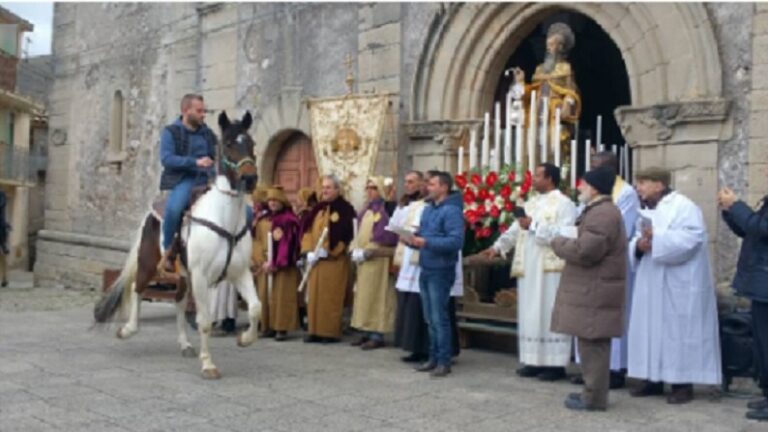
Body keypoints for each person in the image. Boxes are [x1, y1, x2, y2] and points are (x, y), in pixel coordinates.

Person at [627, 167, 721, 404]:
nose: (638, 188)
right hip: (651, 279)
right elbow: (635, 239)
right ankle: (651, 378)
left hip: (677, 282)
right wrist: (639, 246)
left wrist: (657, 240)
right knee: (649, 328)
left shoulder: (684, 206)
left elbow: (693, 238)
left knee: (676, 333)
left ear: (659, 184)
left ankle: (681, 383)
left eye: (643, 183)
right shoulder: (647, 210)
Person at [482, 163, 577, 381]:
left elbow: (566, 233)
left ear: (550, 179)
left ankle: (555, 365)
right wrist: (498, 247)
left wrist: (533, 226)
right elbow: (516, 229)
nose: (533, 179)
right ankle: (533, 360)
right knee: (530, 312)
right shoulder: (531, 203)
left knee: (549, 311)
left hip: (550, 267)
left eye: (538, 176)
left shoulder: (565, 204)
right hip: (529, 265)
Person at [550, 167, 627, 411]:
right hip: (593, 287)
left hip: (595, 288)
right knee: (590, 343)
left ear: (594, 187)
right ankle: (590, 392)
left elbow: (586, 251)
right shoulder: (599, 211)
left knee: (593, 344)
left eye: (583, 184)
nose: (580, 188)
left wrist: (558, 242)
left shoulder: (602, 214)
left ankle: (593, 398)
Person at [572, 152, 640, 389]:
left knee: (608, 317)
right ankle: (590, 371)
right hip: (590, 260)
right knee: (589, 318)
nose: (589, 171)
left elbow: (625, 227)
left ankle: (614, 370)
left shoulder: (626, 193)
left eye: (595, 166)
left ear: (609, 169)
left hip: (611, 261)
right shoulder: (591, 192)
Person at [393, 171, 462, 363]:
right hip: (426, 266)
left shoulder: (452, 210)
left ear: (444, 188)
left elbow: (455, 241)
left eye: (432, 184)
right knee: (430, 319)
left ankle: (443, 360)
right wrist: (409, 239)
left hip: (441, 269)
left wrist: (426, 242)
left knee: (440, 318)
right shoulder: (429, 209)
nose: (427, 188)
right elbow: (422, 235)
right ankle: (432, 358)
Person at [719, 177, 768, 421]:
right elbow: (750, 230)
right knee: (762, 344)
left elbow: (762, 228)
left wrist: (737, 205)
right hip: (761, 283)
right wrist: (729, 211)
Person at [157, 94, 218, 273]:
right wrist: (195, 162)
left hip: (208, 178)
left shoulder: (208, 134)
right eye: (199, 111)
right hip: (184, 179)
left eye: (204, 111)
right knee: (174, 209)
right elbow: (167, 159)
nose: (203, 114)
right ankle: (168, 252)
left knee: (243, 210)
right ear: (186, 111)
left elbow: (217, 155)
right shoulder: (171, 132)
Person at [300, 174, 356, 343]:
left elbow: (348, 233)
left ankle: (329, 332)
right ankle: (314, 330)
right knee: (315, 297)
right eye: (323, 187)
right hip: (316, 262)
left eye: (329, 187)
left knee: (330, 297)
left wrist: (331, 251)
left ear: (337, 190)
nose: (325, 191)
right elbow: (307, 230)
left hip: (334, 262)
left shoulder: (345, 209)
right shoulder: (318, 208)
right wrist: (308, 250)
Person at [349, 177, 399, 349]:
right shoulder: (365, 210)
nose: (369, 191)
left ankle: (377, 334)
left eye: (373, 188)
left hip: (378, 259)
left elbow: (388, 235)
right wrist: (354, 248)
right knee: (363, 297)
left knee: (377, 297)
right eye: (367, 188)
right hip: (363, 261)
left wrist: (369, 249)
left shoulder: (386, 210)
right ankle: (364, 330)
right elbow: (358, 232)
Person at [257, 186, 301, 341]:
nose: (272, 203)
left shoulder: (289, 220)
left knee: (282, 296)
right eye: (270, 200)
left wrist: (276, 262)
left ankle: (281, 328)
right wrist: (261, 261)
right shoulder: (262, 220)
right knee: (265, 296)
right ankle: (266, 325)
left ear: (282, 201)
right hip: (265, 264)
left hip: (283, 265)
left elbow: (288, 243)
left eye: (276, 200)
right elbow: (256, 242)